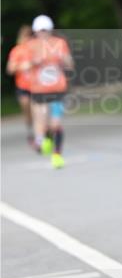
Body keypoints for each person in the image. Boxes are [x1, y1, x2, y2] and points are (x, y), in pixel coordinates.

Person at [26, 15, 73, 169]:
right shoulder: (30, 46)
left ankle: (57, 155)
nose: (43, 33)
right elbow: (22, 66)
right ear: (35, 31)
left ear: (50, 30)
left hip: (57, 89)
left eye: (46, 30)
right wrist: (34, 62)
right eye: (40, 31)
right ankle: (44, 139)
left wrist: (62, 59)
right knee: (42, 122)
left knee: (56, 124)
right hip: (38, 91)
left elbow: (70, 64)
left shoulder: (59, 43)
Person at [6, 25, 34, 147]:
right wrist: (23, 66)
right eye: (26, 36)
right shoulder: (17, 51)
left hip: (37, 86)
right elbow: (10, 69)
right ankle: (30, 131)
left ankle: (42, 130)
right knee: (27, 108)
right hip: (23, 86)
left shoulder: (36, 49)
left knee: (39, 109)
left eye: (30, 36)